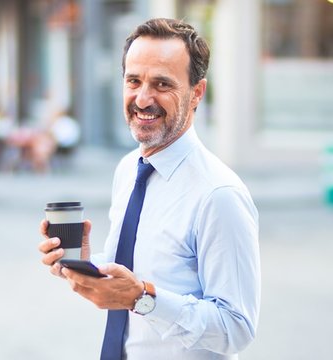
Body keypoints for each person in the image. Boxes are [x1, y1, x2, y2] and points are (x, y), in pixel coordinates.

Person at [38, 18, 261, 359]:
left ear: (196, 92)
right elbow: (139, 271)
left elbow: (236, 328)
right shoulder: (128, 169)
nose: (143, 99)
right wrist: (85, 264)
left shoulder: (219, 195)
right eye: (134, 81)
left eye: (161, 84)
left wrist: (142, 298)